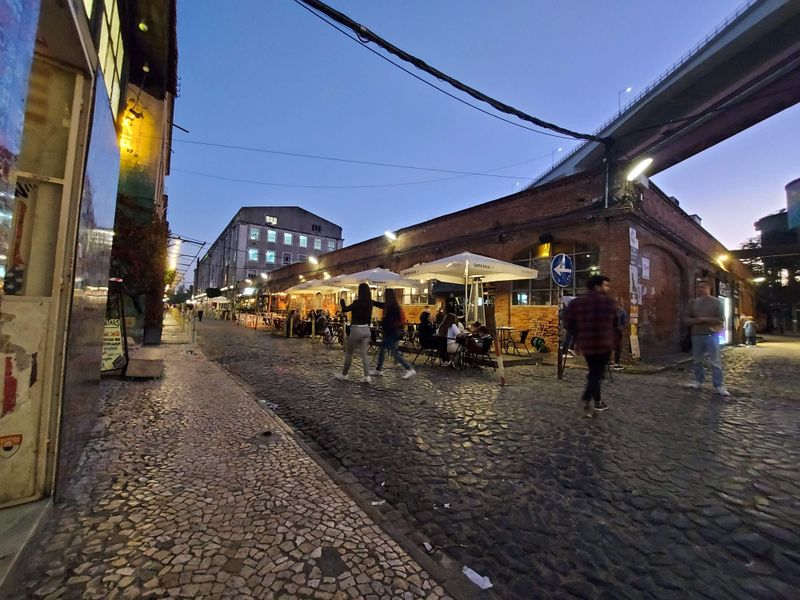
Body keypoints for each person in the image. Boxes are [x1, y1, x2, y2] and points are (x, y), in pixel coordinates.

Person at [565, 275, 618, 417]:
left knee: (594, 374)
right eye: (605, 285)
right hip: (603, 344)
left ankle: (595, 403)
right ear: (597, 286)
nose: (608, 288)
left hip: (587, 344)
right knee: (596, 375)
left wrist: (576, 341)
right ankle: (585, 402)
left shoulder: (576, 303)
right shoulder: (608, 302)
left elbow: (569, 324)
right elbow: (616, 325)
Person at [684, 280, 730, 396]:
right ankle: (698, 380)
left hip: (711, 334)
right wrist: (700, 321)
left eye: (703, 287)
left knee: (715, 361)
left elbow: (720, 319)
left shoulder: (716, 302)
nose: (700, 289)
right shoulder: (692, 303)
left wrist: (702, 320)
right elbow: (686, 319)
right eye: (698, 287)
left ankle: (719, 384)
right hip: (696, 335)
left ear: (709, 288)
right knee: (697, 360)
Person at [370, 289, 416, 379]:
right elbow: (378, 304)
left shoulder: (392, 307)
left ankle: (409, 368)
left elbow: (389, 319)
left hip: (391, 332)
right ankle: (378, 369)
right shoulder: (392, 306)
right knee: (382, 350)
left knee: (394, 353)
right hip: (391, 332)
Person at [336, 283, 375, 383]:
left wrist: (341, 300)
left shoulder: (357, 302)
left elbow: (345, 309)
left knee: (349, 353)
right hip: (367, 330)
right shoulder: (370, 302)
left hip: (357, 329)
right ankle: (367, 376)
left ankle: (344, 374)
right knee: (364, 354)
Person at [612, 297, 628, 370]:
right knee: (617, 348)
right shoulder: (622, 312)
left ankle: (612, 363)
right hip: (616, 331)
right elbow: (623, 324)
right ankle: (616, 364)